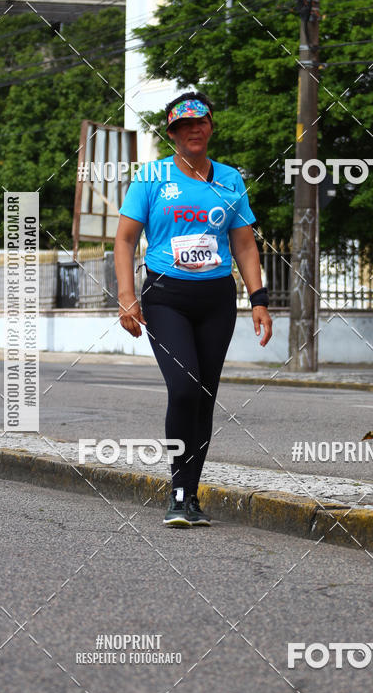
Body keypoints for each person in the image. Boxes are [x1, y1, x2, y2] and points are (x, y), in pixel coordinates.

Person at [115, 90, 272, 528]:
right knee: (183, 389)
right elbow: (125, 239)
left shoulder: (229, 180)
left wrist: (258, 299)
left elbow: (244, 242)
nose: (193, 130)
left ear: (210, 127)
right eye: (183, 126)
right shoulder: (151, 177)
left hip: (216, 299)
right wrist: (127, 296)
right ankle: (178, 490)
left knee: (203, 398)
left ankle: (189, 494)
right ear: (173, 134)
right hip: (166, 296)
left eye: (200, 122)